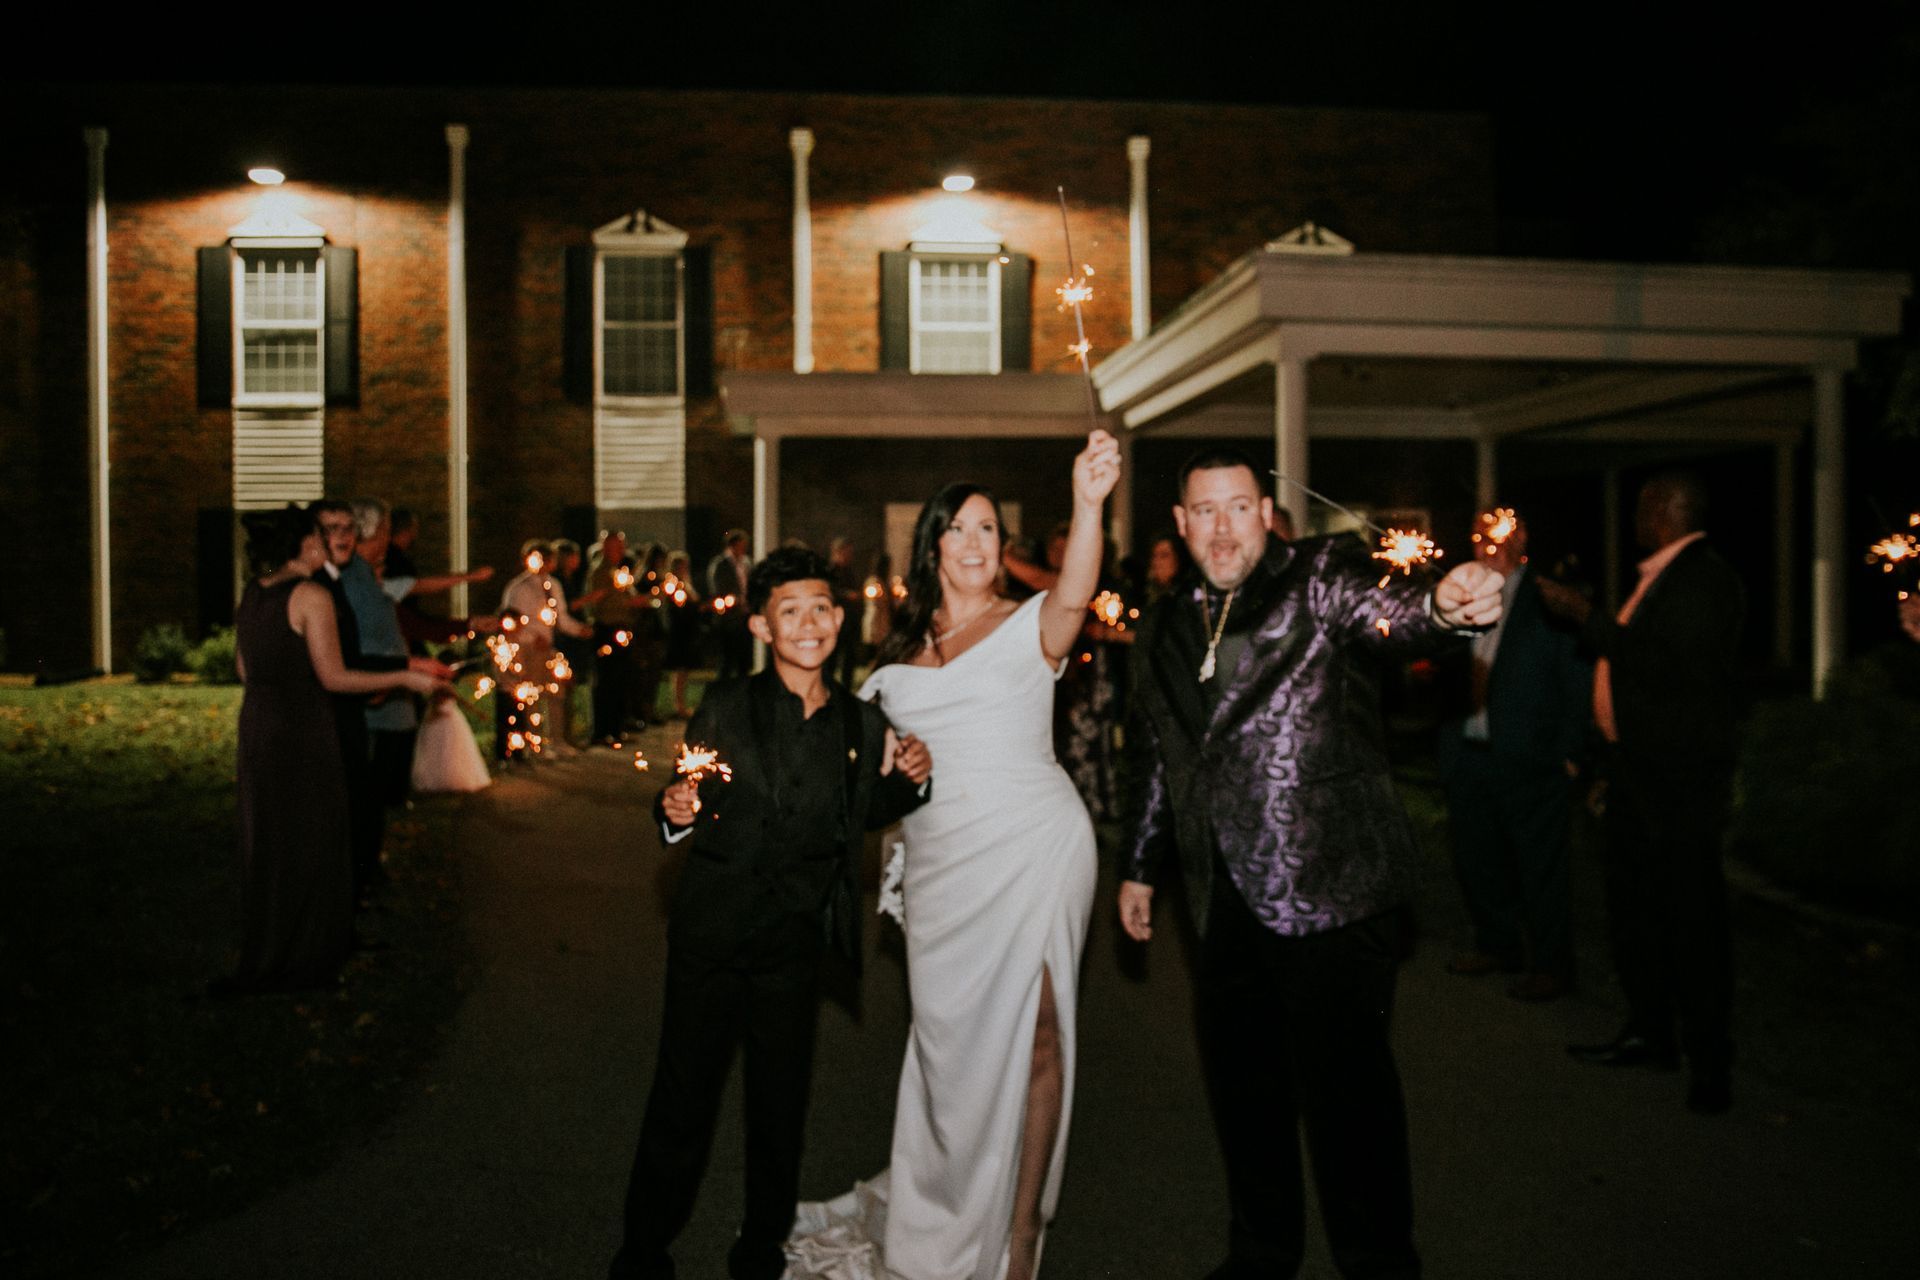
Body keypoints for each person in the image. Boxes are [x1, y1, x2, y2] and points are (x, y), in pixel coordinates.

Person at [1118, 447, 1504, 1280]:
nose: (1223, 529)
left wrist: (1445, 605)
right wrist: (1140, 863)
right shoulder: (1164, 622)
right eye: (1205, 513)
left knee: (1350, 1102)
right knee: (1244, 1091)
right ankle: (1261, 1250)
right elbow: (1161, 750)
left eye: (1238, 508)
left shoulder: (1318, 578)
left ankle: (1378, 1261)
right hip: (1218, 898)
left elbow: (1390, 613)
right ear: (1182, 525)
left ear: (1265, 512)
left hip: (1330, 888)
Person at [792, 431, 1122, 1280]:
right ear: (932, 544)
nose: (977, 544)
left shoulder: (1030, 625)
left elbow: (1079, 589)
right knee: (953, 1053)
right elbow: (852, 770)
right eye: (961, 528)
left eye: (989, 530)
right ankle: (945, 1209)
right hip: (944, 870)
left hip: (1038, 847)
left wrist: (1089, 503)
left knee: (1042, 1036)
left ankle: (1019, 1238)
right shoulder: (894, 663)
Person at [608, 547, 932, 1280]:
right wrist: (676, 809)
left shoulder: (860, 724)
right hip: (712, 934)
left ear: (841, 618)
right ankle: (644, 1246)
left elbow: (861, 814)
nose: (809, 622)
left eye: (821, 607)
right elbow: (685, 788)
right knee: (683, 1098)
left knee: (778, 1107)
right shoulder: (727, 705)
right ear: (761, 625)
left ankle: (761, 1246)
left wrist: (912, 782)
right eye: (790, 611)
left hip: (795, 943)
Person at [1539, 470, 1746, 1115]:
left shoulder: (1702, 581)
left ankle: (1709, 1066)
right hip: (1636, 779)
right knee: (1636, 917)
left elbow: (1664, 668)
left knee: (1691, 926)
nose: (1634, 517)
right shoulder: (1662, 576)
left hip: (1676, 791)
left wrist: (1585, 618)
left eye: (1641, 507)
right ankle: (1650, 1033)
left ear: (1660, 511)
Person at [219, 505, 442, 994]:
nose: (329, 544)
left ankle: (272, 947)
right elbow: (334, 676)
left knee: (274, 841)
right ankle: (308, 958)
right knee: (316, 839)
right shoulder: (311, 595)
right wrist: (406, 676)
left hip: (260, 728)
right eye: (321, 536)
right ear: (306, 545)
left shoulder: (254, 593)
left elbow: (244, 670)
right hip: (303, 730)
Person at [1435, 508, 1590, 1001]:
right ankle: (1497, 944)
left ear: (1521, 539)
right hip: (1470, 749)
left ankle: (1551, 965)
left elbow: (1576, 674)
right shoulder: (1462, 590)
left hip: (1530, 754)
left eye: (1500, 535)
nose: (1488, 544)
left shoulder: (1547, 597)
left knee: (1539, 865)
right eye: (1479, 535)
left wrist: (1570, 752)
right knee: (1476, 855)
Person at [496, 539, 593, 759]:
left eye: (547, 560)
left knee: (556, 691)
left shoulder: (553, 585)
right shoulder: (519, 587)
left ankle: (557, 740)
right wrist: (533, 636)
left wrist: (580, 630)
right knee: (532, 695)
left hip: (548, 647)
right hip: (527, 648)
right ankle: (535, 744)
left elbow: (561, 617)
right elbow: (513, 621)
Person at [582, 531, 641, 745]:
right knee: (606, 682)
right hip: (608, 630)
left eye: (622, 547)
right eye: (618, 547)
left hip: (620, 629)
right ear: (607, 548)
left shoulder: (617, 571)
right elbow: (606, 602)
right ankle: (602, 730)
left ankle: (616, 728)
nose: (622, 551)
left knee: (620, 680)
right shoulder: (601, 572)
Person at [660, 550, 704, 718]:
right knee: (679, 668)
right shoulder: (672, 584)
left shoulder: (687, 582)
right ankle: (678, 705)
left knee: (685, 670)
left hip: (688, 630)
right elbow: (679, 605)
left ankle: (682, 704)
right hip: (678, 629)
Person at [707, 529, 754, 680]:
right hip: (728, 618)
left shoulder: (746, 563)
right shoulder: (721, 564)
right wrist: (734, 599)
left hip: (745, 615)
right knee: (727, 660)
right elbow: (718, 588)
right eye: (741, 545)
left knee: (744, 661)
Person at [827, 536, 865, 687]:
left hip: (850, 620)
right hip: (836, 621)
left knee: (850, 657)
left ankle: (845, 686)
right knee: (833, 656)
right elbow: (829, 592)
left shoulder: (849, 571)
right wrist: (846, 595)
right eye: (847, 552)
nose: (850, 556)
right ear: (838, 552)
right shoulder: (831, 571)